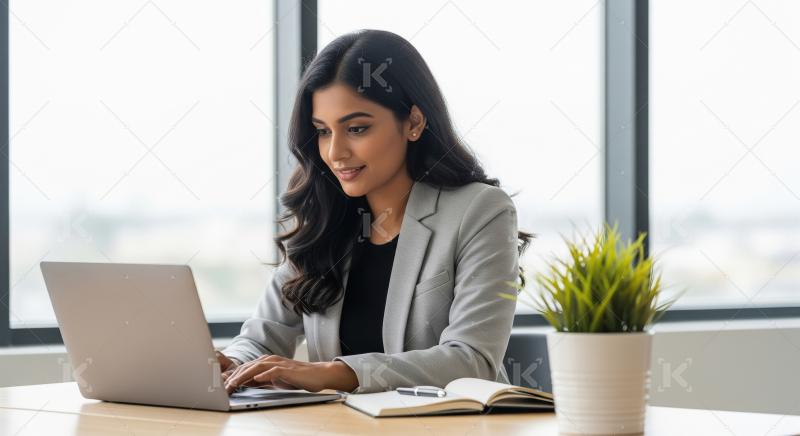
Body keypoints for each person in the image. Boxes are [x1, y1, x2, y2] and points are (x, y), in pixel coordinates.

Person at [219, 29, 532, 395]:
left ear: (413, 122)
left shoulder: (480, 211)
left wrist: (337, 373)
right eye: (322, 131)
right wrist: (232, 363)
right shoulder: (325, 219)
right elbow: (262, 338)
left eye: (356, 128)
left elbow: (471, 359)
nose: (335, 152)